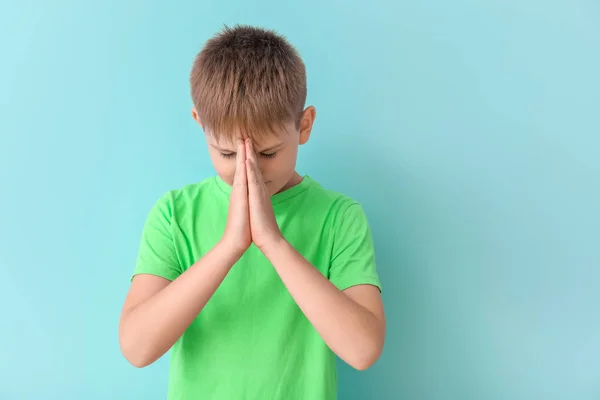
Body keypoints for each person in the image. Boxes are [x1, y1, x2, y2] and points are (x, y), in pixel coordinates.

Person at [118, 24, 385, 400]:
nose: (250, 170)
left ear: (304, 125)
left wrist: (273, 242)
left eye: (268, 153)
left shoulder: (339, 217)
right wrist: (230, 246)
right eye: (228, 154)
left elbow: (362, 350)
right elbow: (137, 348)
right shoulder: (174, 214)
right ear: (200, 124)